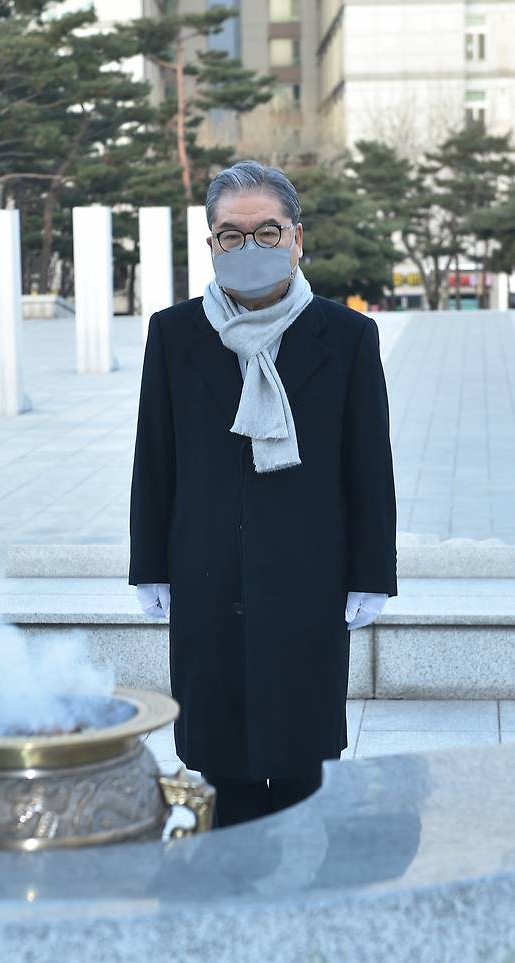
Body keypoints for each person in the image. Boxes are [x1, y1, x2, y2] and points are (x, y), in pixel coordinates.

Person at [128, 160, 397, 829]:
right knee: (223, 771)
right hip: (209, 580)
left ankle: (304, 912)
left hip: (308, 580)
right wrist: (151, 565)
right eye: (230, 234)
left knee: (305, 768)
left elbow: (368, 464)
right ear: (212, 243)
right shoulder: (174, 333)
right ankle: (231, 905)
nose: (248, 248)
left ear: (297, 238)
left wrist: (371, 574)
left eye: (266, 231)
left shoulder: (347, 336)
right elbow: (155, 458)